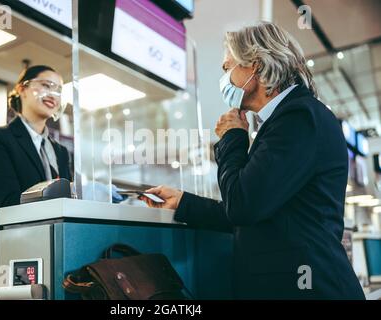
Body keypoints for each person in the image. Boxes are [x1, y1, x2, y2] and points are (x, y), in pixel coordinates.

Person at [142, 22, 365, 299]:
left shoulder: (298, 118)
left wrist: (233, 136)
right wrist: (184, 203)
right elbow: (256, 213)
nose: (225, 77)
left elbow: (242, 206)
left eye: (228, 67)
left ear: (256, 65)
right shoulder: (285, 119)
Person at [0, 65, 72, 224]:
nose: (53, 94)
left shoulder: (60, 151)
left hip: (52, 237)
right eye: (46, 85)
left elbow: (68, 201)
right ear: (22, 89)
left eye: (59, 90)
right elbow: (9, 202)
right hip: (9, 238)